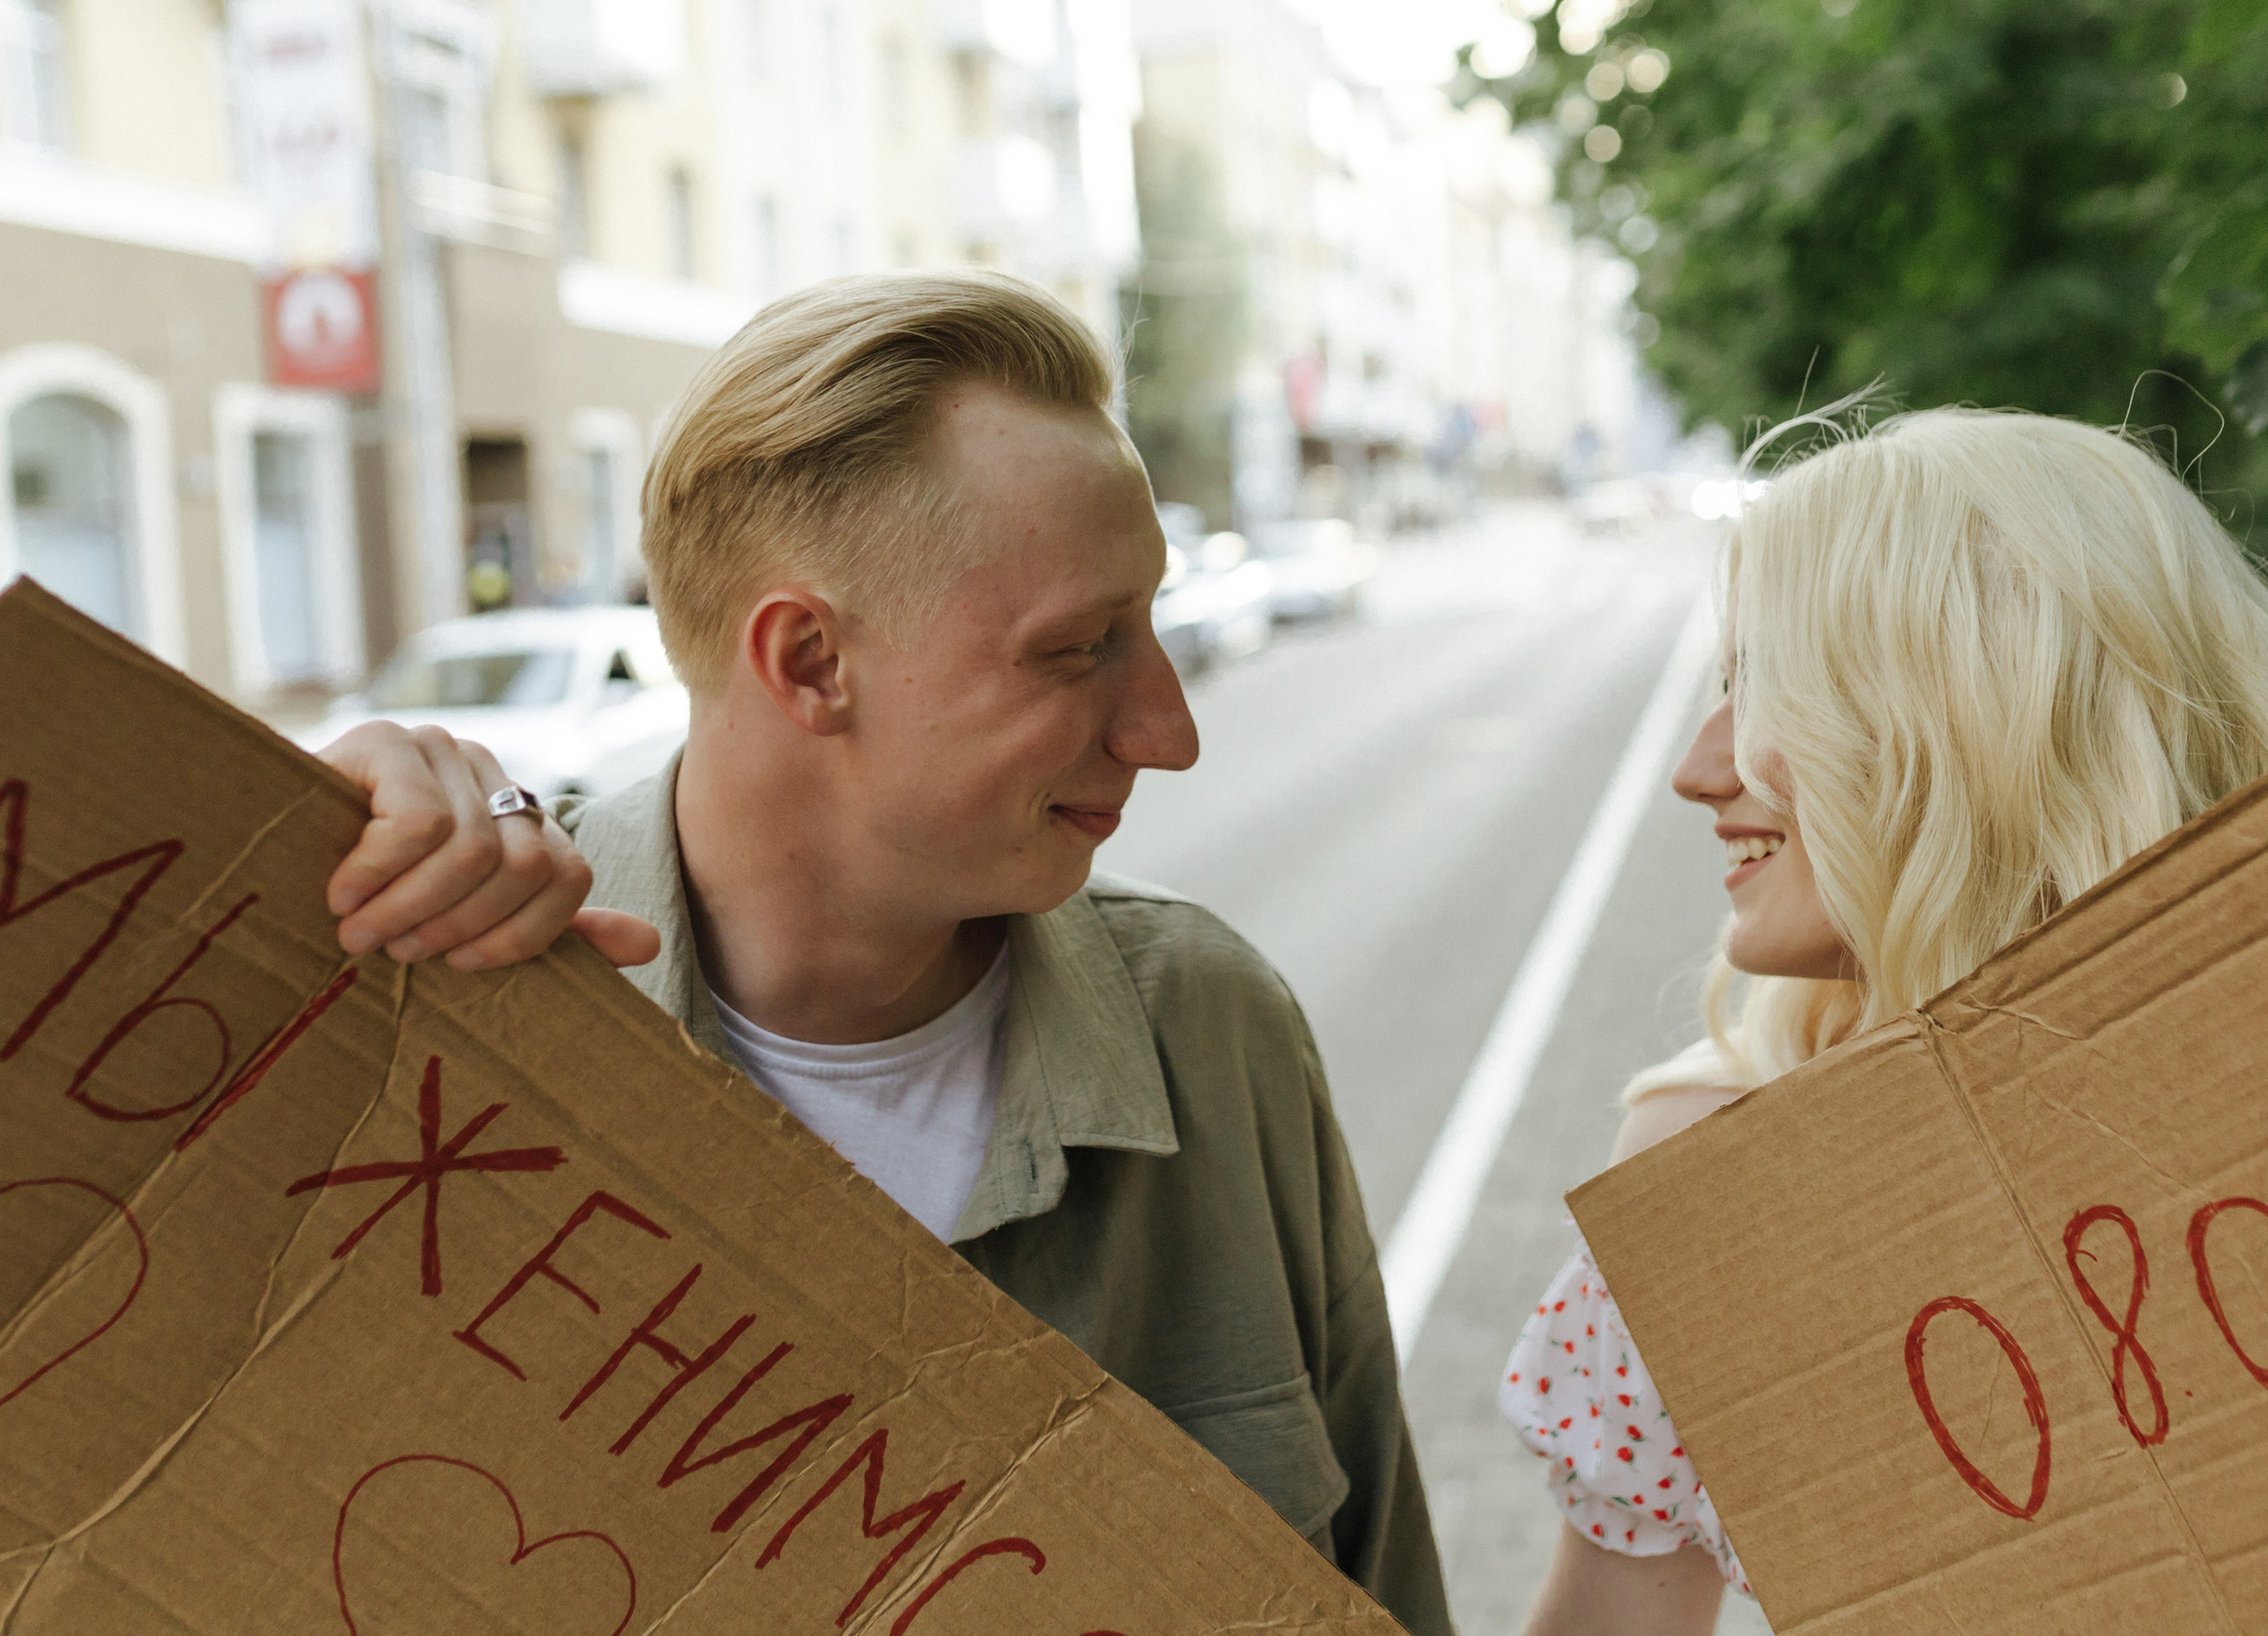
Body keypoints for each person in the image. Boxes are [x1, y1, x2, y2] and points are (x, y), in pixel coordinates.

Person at [314, 271, 1451, 1633]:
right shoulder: (432, 1009)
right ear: (809, 661)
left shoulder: (1211, 1027)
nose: (1169, 728)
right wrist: (265, 859)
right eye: (1080, 647)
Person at [1499, 407, 2268, 1633]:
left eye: (1767, 687)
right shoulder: (1710, 1173)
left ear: (1969, 720)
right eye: (1724, 683)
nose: (1696, 766)